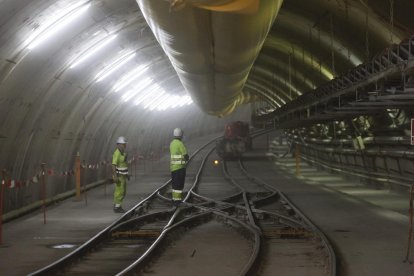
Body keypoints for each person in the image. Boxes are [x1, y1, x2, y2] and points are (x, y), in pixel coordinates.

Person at [169, 128, 189, 206]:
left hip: (173, 167)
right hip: (180, 167)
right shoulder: (180, 144)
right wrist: (186, 159)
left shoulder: (172, 143)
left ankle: (174, 200)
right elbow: (186, 156)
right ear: (181, 135)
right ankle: (178, 201)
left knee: (174, 184)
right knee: (179, 185)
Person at [112, 136, 129, 213]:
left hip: (123, 175)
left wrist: (127, 174)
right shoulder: (117, 153)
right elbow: (113, 165)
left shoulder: (123, 153)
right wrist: (115, 176)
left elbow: (124, 164)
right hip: (119, 176)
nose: (124, 146)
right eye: (123, 144)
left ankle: (118, 205)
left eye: (125, 144)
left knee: (123, 191)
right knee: (119, 191)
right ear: (118, 144)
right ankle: (117, 207)